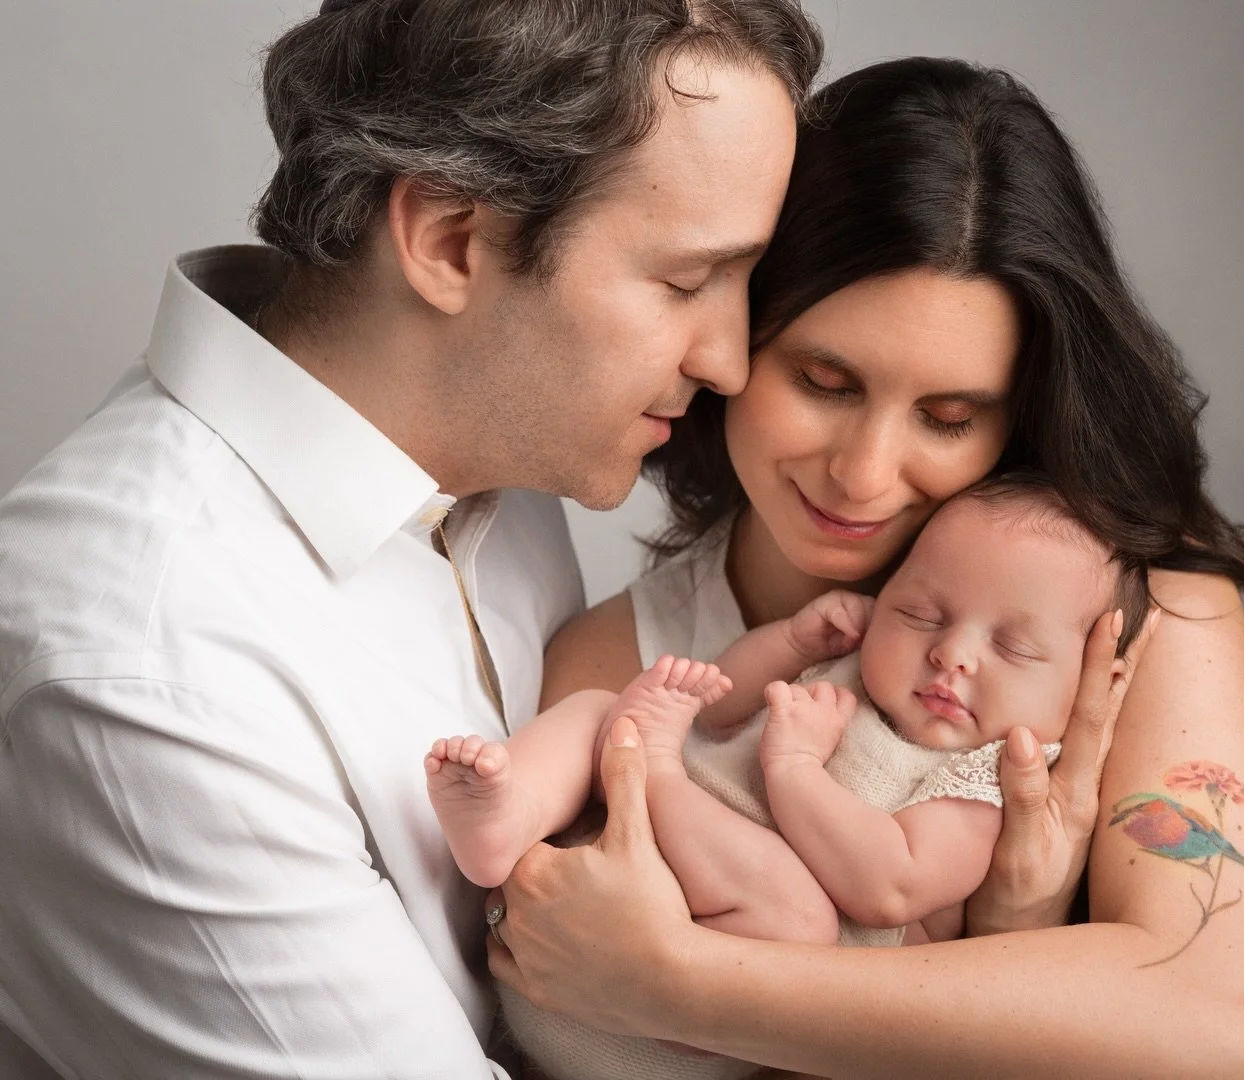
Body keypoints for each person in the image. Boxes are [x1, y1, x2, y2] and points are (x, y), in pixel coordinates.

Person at [486, 57, 1244, 1080]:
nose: (862, 473)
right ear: (730, 336)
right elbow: (571, 1005)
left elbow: (1209, 1037)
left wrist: (680, 981)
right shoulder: (615, 665)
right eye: (822, 380)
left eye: (950, 418)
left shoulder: (1143, 610)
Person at [0, 1, 822, 1077]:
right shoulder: (152, 673)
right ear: (449, 240)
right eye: (683, 281)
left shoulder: (486, 447)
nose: (727, 359)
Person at [429, 474, 1151, 1080]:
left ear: (1092, 682)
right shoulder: (866, 667)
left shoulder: (988, 779)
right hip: (566, 924)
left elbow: (887, 883)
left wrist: (795, 766)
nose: (951, 653)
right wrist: (790, 643)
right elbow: (719, 711)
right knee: (600, 711)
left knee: (797, 916)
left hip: (667, 1014)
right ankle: (504, 820)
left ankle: (651, 774)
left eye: (1013, 647)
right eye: (922, 611)